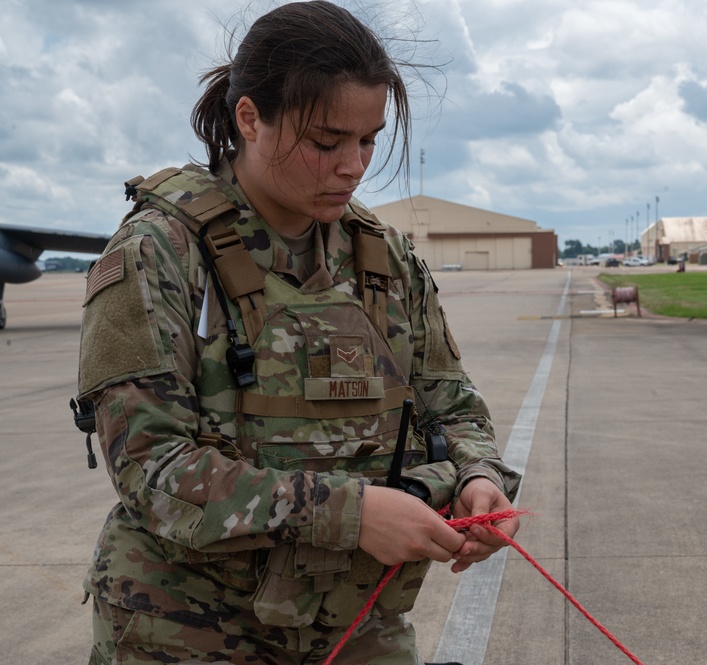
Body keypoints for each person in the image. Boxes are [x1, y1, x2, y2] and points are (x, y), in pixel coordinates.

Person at [76, 2, 520, 663]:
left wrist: (477, 476)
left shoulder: (385, 258)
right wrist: (354, 513)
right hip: (188, 632)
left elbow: (450, 403)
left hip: (355, 627)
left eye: (368, 140)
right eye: (326, 142)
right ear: (249, 118)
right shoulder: (158, 252)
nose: (353, 166)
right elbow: (153, 470)